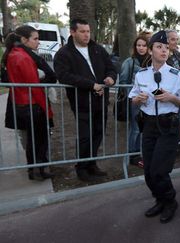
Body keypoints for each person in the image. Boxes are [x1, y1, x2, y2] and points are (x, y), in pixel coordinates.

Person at [128, 30, 180, 224]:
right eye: (159, 47)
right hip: (148, 125)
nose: (164, 51)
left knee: (159, 170)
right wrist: (137, 99)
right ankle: (160, 199)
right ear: (150, 50)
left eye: (166, 48)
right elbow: (132, 97)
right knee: (148, 171)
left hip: (168, 126)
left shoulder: (177, 75)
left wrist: (172, 97)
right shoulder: (142, 74)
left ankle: (170, 201)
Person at [54, 19, 117, 182]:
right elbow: (64, 76)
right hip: (82, 102)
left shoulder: (98, 49)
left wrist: (111, 77)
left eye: (88, 31)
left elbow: (111, 67)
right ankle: (81, 168)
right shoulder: (64, 53)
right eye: (82, 31)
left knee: (98, 133)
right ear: (73, 32)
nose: (86, 35)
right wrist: (91, 85)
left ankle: (91, 164)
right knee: (85, 136)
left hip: (101, 101)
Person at [1, 25, 56, 180]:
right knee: (38, 140)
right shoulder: (23, 57)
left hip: (23, 104)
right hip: (32, 105)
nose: (38, 42)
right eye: (36, 39)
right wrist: (46, 109)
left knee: (33, 140)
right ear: (24, 39)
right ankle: (37, 170)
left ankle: (36, 170)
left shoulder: (14, 54)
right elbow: (34, 86)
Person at [119, 35, 151, 166]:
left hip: (149, 101)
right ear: (135, 47)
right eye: (139, 45)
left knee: (146, 129)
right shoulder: (129, 62)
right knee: (136, 128)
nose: (141, 48)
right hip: (136, 102)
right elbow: (123, 82)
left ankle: (143, 153)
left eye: (144, 45)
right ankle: (133, 154)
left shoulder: (151, 61)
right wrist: (133, 96)